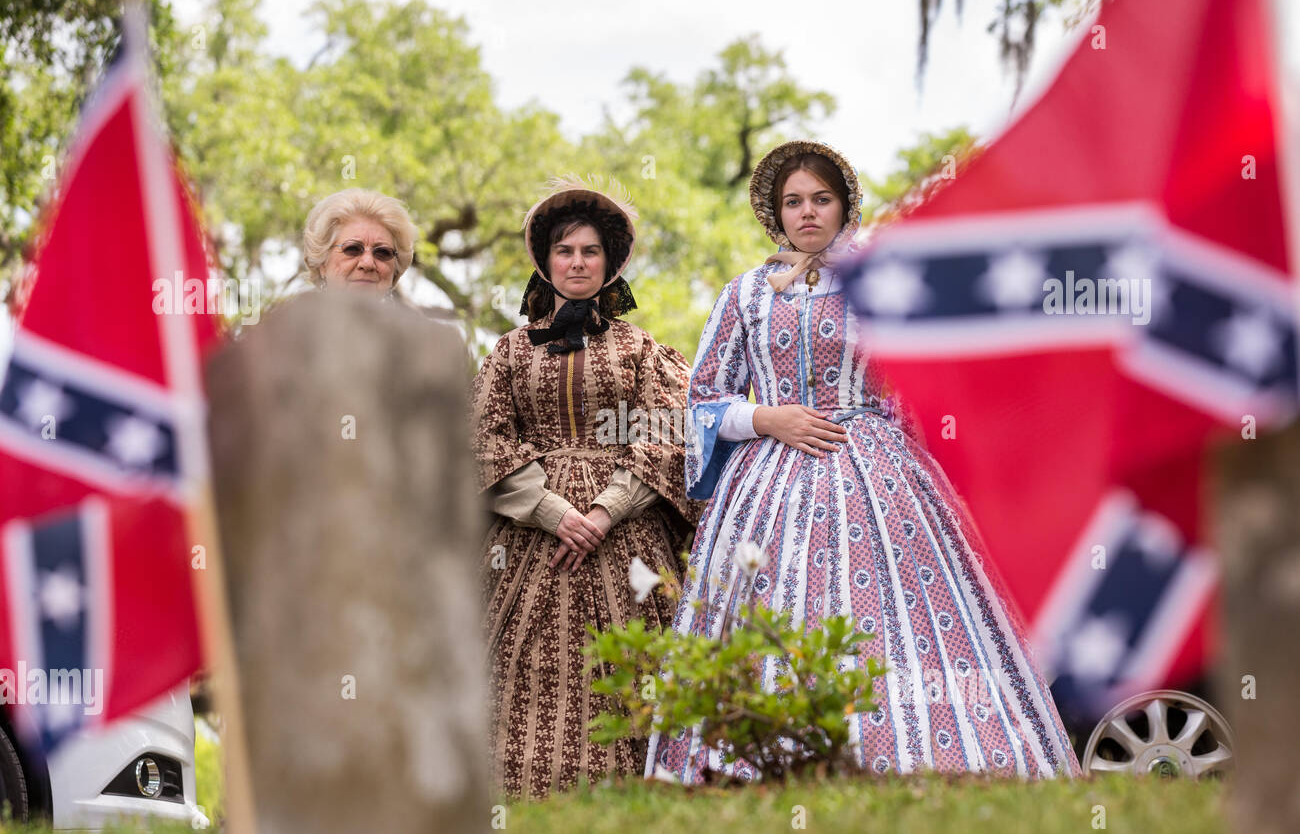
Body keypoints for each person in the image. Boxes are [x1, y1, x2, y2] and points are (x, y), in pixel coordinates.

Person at [647, 141, 1082, 783]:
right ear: (775, 214)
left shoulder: (879, 285)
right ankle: (748, 769)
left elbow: (924, 389)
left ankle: (921, 759)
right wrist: (769, 417)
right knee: (766, 607)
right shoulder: (744, 296)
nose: (807, 213)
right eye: (793, 202)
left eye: (821, 199)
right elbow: (704, 400)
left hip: (880, 476)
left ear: (844, 206)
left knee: (901, 616)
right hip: (768, 482)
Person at [470, 175, 702, 800]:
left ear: (609, 262)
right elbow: (480, 440)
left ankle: (639, 808)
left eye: (590, 251)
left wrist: (603, 511)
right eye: (565, 251)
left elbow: (667, 436)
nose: (577, 262)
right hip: (529, 539)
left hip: (627, 541)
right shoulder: (510, 353)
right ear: (546, 262)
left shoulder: (643, 351)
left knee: (635, 668)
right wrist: (549, 510)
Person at [301, 188, 418, 297]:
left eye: (383, 252)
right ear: (323, 265)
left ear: (395, 270)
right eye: (352, 249)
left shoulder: (414, 319)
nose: (367, 263)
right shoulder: (290, 318)